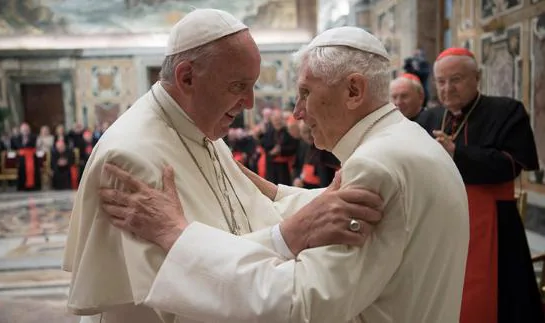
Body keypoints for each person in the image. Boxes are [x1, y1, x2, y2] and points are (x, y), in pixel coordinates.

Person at [98, 26, 470, 322]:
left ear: (353, 90)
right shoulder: (409, 141)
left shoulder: (375, 165)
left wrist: (175, 235)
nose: (298, 112)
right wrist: (274, 193)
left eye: (305, 92)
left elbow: (300, 304)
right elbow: (377, 217)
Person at [63, 9, 384, 323]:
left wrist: (325, 201)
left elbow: (252, 213)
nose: (250, 103)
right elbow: (184, 298)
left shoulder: (203, 131)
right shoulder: (130, 157)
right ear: (187, 77)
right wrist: (289, 236)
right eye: (238, 86)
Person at [416, 47, 544, 323]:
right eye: (440, 81)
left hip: (493, 220)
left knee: (498, 298)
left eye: (456, 79)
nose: (447, 88)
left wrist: (457, 154)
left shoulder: (507, 111)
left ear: (478, 77)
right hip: (439, 222)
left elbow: (511, 164)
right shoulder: (429, 118)